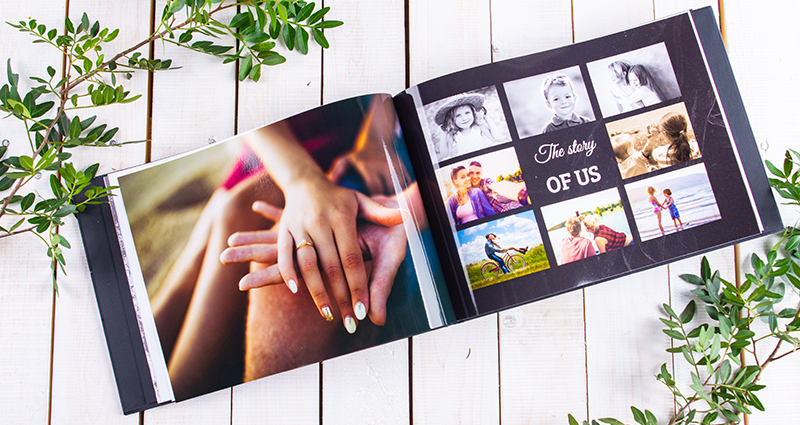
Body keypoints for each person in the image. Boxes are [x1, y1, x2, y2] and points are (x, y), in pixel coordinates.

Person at [433, 93, 500, 160]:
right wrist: (443, 135)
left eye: (467, 113)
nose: (464, 118)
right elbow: (444, 154)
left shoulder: (479, 127)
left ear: (473, 113)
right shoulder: (454, 134)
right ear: (452, 119)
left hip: (482, 159)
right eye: (458, 115)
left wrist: (486, 117)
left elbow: (497, 138)